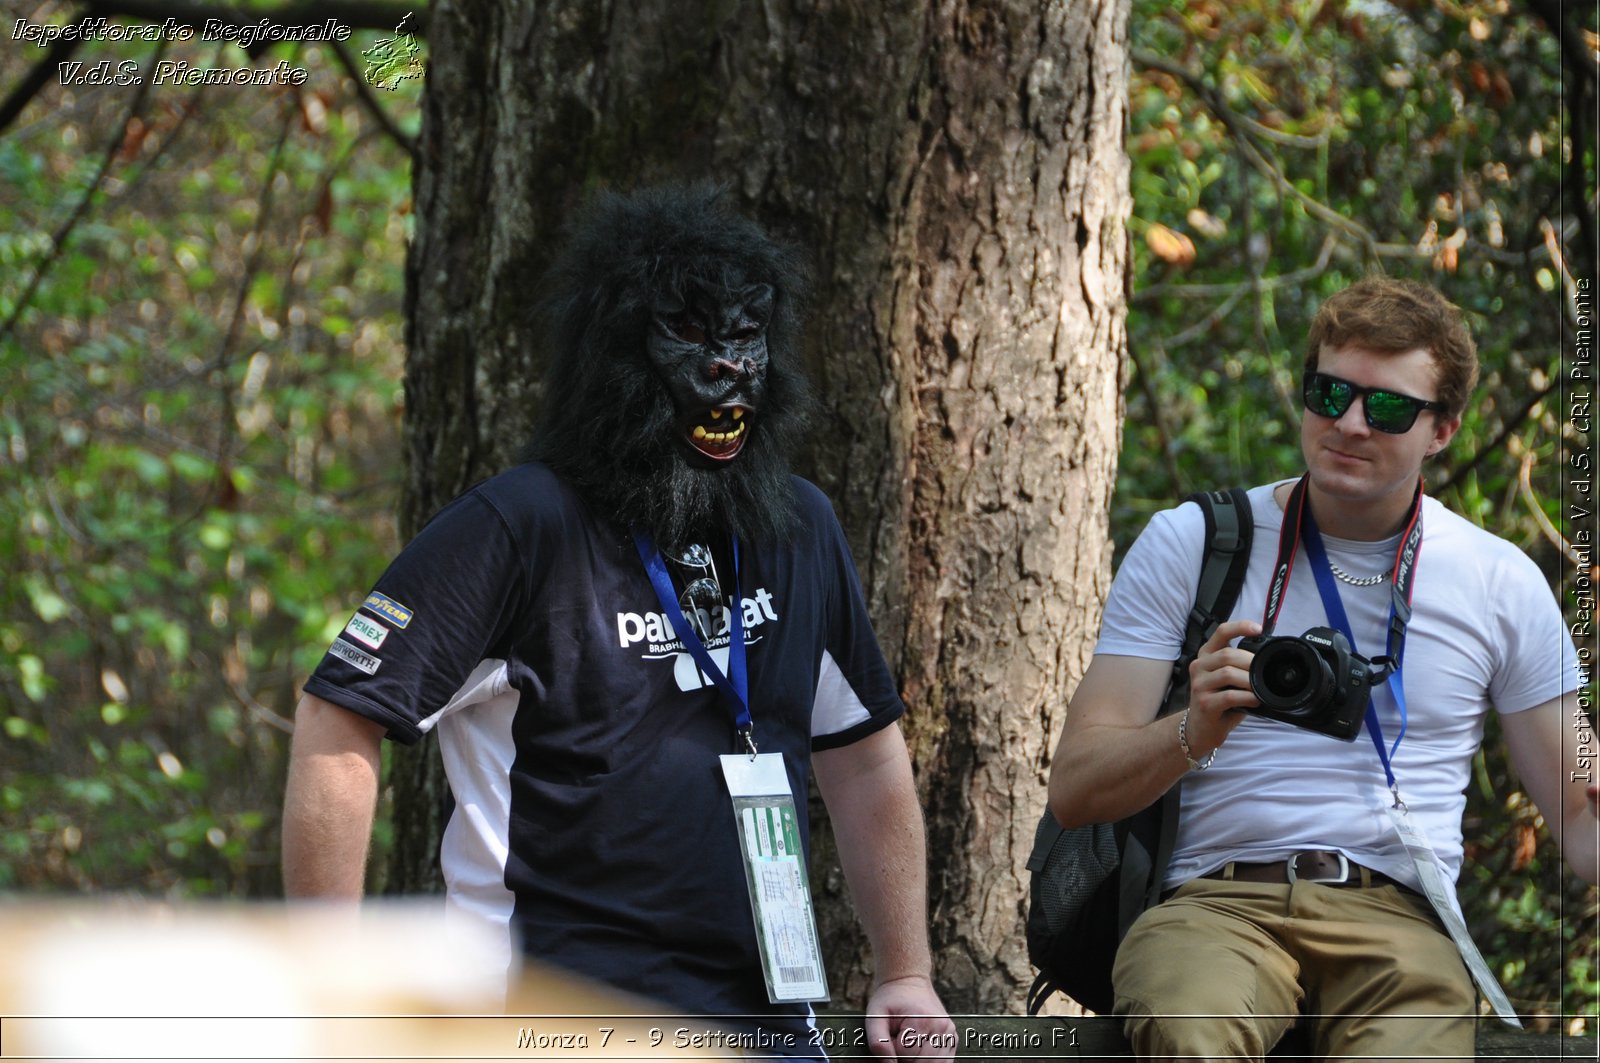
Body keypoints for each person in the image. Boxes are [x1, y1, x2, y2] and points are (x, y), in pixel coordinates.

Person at [280, 183, 954, 1060]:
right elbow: (340, 714)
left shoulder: (799, 527)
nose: (727, 370)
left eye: (746, 337)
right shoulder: (520, 527)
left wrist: (906, 968)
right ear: (618, 352)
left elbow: (863, 753)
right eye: (692, 337)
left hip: (768, 1017)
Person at [1048, 276, 1597, 1060]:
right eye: (1328, 392)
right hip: (1217, 902)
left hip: (1400, 917)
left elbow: (1581, 824)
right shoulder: (1196, 543)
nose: (1348, 422)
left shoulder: (1496, 579)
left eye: (1387, 407)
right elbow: (1074, 789)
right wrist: (1190, 729)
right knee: (1187, 1032)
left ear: (1441, 429)